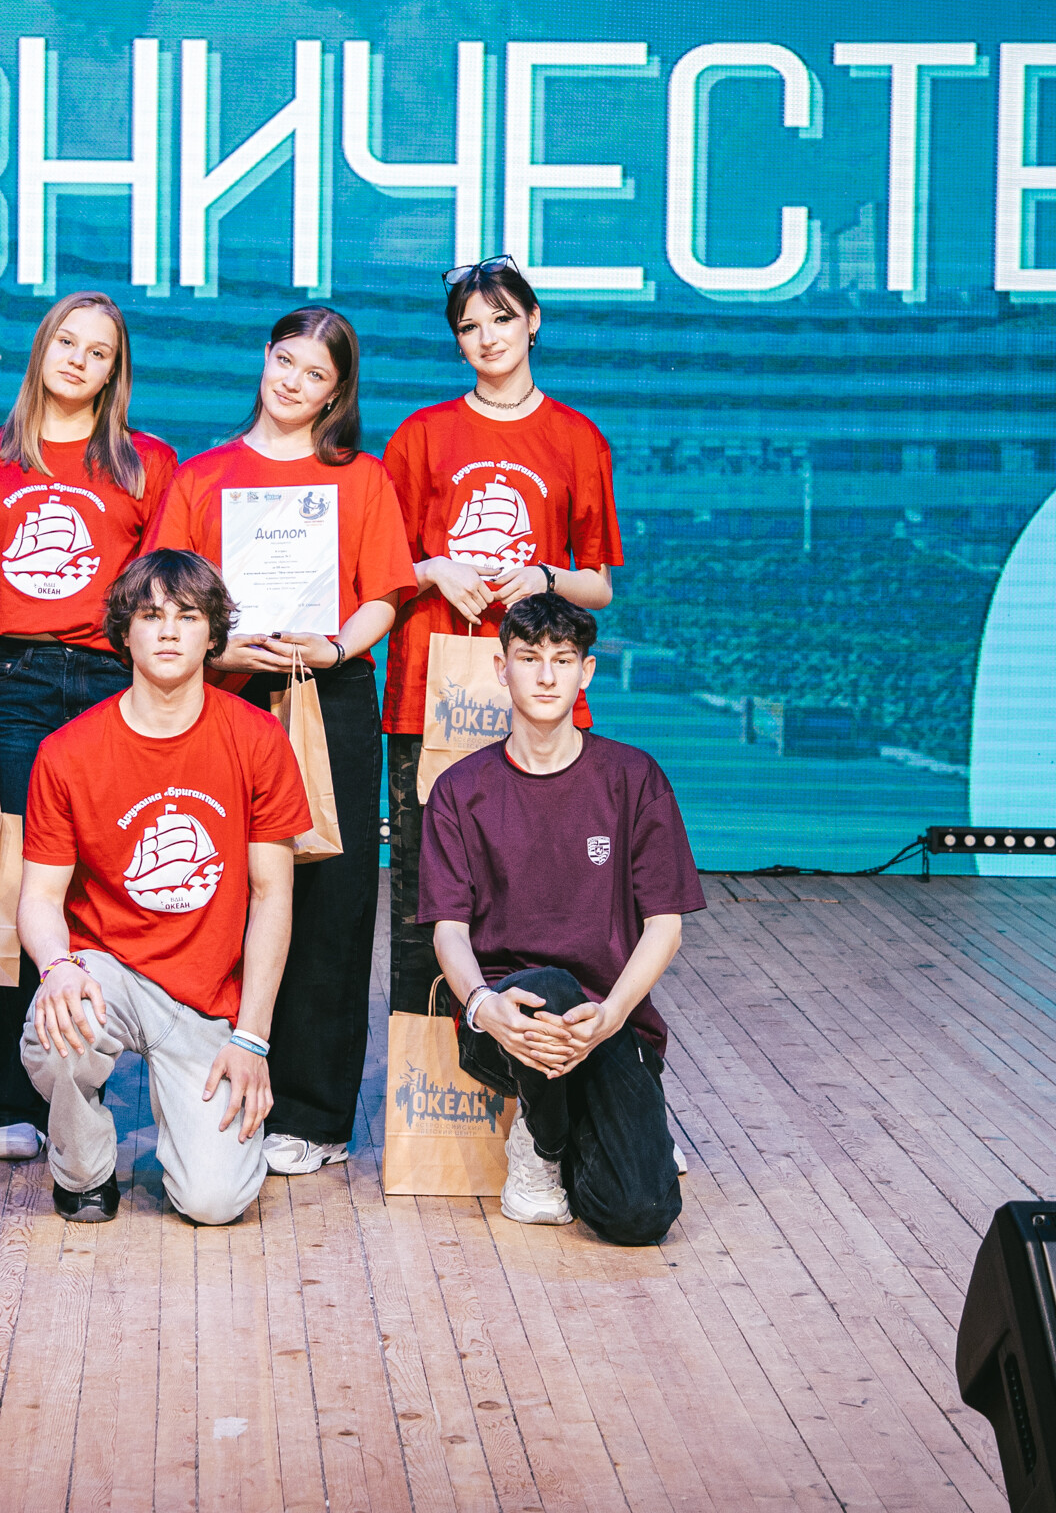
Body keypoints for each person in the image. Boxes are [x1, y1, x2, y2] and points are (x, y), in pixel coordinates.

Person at [144, 305, 414, 1177]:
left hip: (327, 692)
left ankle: (314, 1113)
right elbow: (159, 595)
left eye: (316, 375)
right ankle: (212, 1085)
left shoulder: (362, 479)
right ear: (264, 358)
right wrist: (217, 651)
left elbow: (384, 594)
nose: (294, 383)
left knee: (331, 899)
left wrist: (336, 646)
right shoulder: (203, 476)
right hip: (221, 691)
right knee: (221, 889)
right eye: (286, 361)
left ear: (337, 395)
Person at [0, 291, 178, 1165]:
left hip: (117, 682)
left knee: (108, 889)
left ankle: (89, 1091)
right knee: (18, 894)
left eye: (99, 351)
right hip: (18, 684)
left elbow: (160, 601)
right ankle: (8, 1098)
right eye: (67, 342)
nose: (79, 360)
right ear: (42, 349)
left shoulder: (148, 464)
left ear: (115, 371)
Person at [17, 550, 310, 1225]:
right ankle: (84, 1173)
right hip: (107, 974)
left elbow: (272, 896)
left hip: (206, 997)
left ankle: (191, 1128)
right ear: (125, 633)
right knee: (57, 1028)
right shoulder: (68, 751)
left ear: (214, 635)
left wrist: (253, 1038)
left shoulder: (257, 738)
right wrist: (57, 967)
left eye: (189, 616)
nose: (170, 631)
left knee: (215, 1203)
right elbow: (38, 897)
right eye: (151, 616)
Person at [422, 593, 701, 1244]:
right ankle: (541, 1151)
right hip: (508, 1022)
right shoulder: (459, 790)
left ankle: (602, 1130)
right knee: (545, 987)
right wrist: (483, 1005)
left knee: (640, 1216)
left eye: (563, 659)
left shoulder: (633, 777)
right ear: (501, 669)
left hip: (605, 1020)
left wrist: (612, 1015)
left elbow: (665, 925)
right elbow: (448, 930)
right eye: (529, 658)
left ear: (587, 671)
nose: (546, 676)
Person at [383, 256, 621, 1015]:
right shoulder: (421, 435)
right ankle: (424, 1079)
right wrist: (432, 569)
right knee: (426, 895)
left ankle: (541, 1059)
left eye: (502, 318)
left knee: (540, 891)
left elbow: (599, 585)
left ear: (534, 321)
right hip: (431, 693)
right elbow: (378, 568)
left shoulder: (577, 438)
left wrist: (545, 576)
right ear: (456, 341)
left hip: (537, 695)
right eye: (469, 326)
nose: (488, 337)